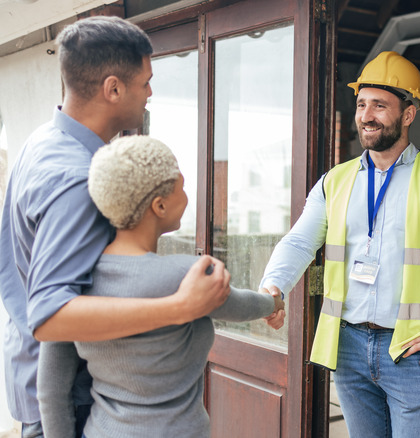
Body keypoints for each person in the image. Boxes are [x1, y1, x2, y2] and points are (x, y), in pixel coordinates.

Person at [0, 16, 232, 438]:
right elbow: (50, 316)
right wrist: (180, 307)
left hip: (36, 379)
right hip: (69, 402)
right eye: (145, 81)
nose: (150, 93)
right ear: (113, 88)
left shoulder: (42, 142)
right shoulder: (76, 179)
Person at [259, 51, 420, 437]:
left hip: (415, 350)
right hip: (349, 344)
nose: (367, 115)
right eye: (362, 104)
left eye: (380, 105)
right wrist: (274, 286)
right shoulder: (335, 180)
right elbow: (300, 241)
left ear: (408, 113)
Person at [37, 135, 285, 438]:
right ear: (160, 204)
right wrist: (273, 302)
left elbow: (50, 389)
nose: (187, 194)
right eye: (180, 184)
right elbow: (244, 306)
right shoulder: (188, 276)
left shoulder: (75, 285)